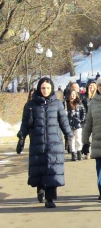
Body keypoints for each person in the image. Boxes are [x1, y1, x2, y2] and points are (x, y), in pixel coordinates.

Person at [16, 77, 73, 208]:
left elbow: (64, 121)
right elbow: (25, 124)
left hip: (54, 143)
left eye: (47, 88)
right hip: (38, 142)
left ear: (51, 88)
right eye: (43, 88)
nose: (45, 90)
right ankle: (40, 188)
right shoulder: (31, 105)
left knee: (53, 169)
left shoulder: (57, 104)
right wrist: (21, 138)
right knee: (40, 168)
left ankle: (50, 198)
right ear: (39, 89)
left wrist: (69, 137)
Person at [64, 89, 85, 161]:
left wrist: (81, 120)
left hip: (77, 124)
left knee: (78, 139)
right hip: (69, 124)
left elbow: (83, 112)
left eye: (74, 94)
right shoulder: (66, 104)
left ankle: (79, 152)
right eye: (71, 94)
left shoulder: (79, 103)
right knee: (71, 139)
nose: (72, 96)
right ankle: (73, 153)